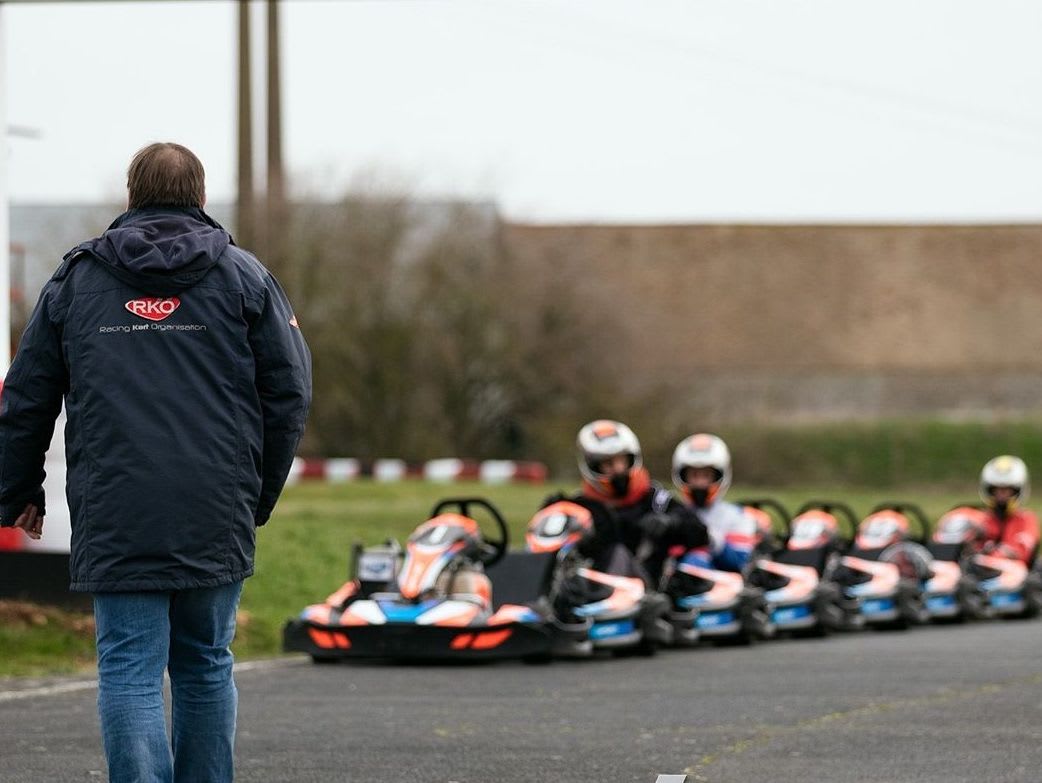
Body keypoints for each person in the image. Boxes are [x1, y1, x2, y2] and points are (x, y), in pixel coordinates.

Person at [0, 143, 312, 783]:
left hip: (118, 509)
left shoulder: (77, 279)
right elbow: (290, 395)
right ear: (200, 196)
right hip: (213, 505)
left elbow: (27, 394)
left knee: (129, 666)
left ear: (130, 196)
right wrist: (257, 495)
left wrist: (17, 490)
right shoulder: (246, 277)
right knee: (204, 662)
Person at [570, 419, 708, 586]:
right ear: (593, 467)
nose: (618, 469)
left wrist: (670, 522)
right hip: (589, 586)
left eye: (622, 461)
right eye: (608, 464)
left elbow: (698, 531)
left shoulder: (655, 498)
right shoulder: (581, 505)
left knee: (619, 553)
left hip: (644, 593)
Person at [671, 433, 758, 573]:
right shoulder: (672, 513)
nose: (699, 483)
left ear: (719, 476)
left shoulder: (737, 516)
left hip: (720, 584)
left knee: (696, 561)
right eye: (694, 475)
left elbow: (741, 562)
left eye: (706, 476)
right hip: (675, 583)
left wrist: (709, 538)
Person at [977, 455, 1039, 565]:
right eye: (997, 490)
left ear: (1017, 491)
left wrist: (993, 554)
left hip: (1016, 575)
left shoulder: (1026, 519)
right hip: (981, 572)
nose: (1001, 495)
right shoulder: (981, 519)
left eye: (1006, 490)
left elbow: (1022, 552)